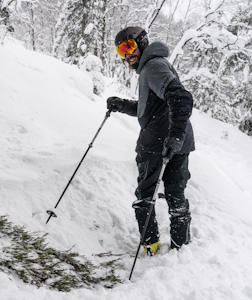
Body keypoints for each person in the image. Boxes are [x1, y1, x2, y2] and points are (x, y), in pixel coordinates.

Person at [107, 26, 195, 256]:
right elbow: (153, 109)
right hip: (177, 141)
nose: (127, 55)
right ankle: (180, 247)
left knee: (145, 197)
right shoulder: (155, 65)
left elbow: (182, 98)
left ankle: (151, 248)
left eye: (129, 46)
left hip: (158, 143)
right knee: (176, 194)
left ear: (142, 43)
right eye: (121, 51)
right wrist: (123, 105)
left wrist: (173, 135)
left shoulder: (153, 66)